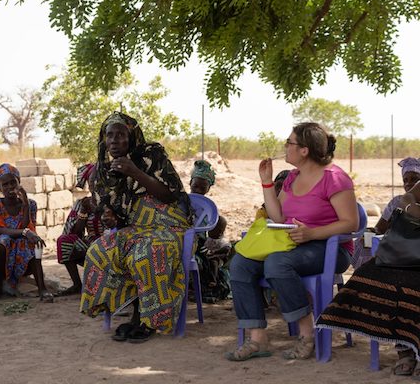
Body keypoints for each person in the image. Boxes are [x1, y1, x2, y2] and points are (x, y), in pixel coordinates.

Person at [225, 122, 358, 361]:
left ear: (304, 150)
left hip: (329, 248)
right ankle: (257, 339)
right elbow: (278, 217)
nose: (285, 147)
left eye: (289, 143)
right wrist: (266, 182)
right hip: (294, 245)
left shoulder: (335, 178)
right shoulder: (293, 178)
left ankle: (307, 335)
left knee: (277, 264)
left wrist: (311, 234)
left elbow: (351, 223)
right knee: (240, 264)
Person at [80, 111, 191, 343]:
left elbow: (170, 195)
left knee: (147, 253)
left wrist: (134, 172)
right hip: (137, 227)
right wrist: (109, 216)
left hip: (169, 225)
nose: (114, 141)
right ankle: (129, 312)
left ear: (131, 136)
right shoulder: (103, 171)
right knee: (99, 251)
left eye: (120, 135)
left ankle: (148, 320)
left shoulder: (152, 155)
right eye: (109, 136)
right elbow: (111, 212)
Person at [317, 180, 420, 378]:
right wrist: (413, 207)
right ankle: (405, 349)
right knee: (371, 276)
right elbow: (404, 200)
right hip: (409, 256)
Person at [0, 163, 53, 302]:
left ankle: (43, 289)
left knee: (33, 243)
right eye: (5, 184)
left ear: (19, 182)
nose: (10, 187)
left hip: (22, 258)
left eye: (13, 182)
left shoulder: (31, 204)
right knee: (3, 240)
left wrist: (25, 205)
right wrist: (24, 232)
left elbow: (26, 226)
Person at [55, 163, 106, 296]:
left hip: (111, 243)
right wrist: (83, 211)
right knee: (64, 241)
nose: (95, 184)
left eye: (99, 180)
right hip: (91, 244)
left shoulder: (114, 200)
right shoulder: (82, 202)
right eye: (92, 181)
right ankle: (77, 284)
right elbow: (75, 233)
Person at [189, 160, 232, 302]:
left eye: (203, 188)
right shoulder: (181, 202)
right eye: (195, 186)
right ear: (190, 183)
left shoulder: (209, 209)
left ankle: (210, 283)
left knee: (215, 255)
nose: (198, 191)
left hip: (201, 245)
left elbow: (214, 231)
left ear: (208, 189)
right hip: (185, 241)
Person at [372, 157, 420, 235]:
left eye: (414, 179)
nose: (408, 184)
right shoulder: (396, 202)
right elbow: (379, 228)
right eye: (405, 180)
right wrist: (373, 232)